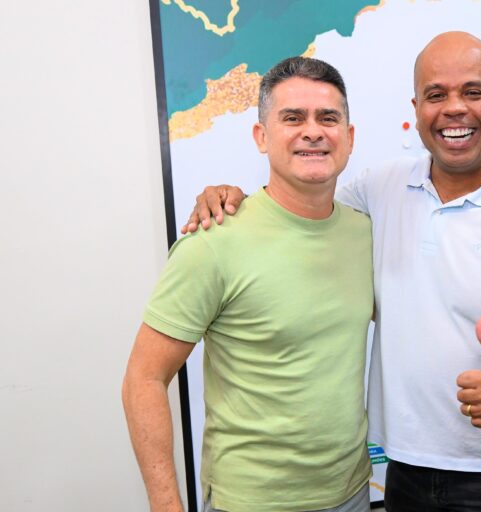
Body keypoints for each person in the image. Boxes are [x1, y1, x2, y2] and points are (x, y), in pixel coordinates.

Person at [186, 32, 481, 511]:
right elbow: (301, 205)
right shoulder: (381, 187)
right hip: (405, 470)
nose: (454, 108)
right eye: (436, 95)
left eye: (473, 92)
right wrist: (232, 199)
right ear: (417, 108)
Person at [122, 57, 375, 512]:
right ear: (261, 137)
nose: (313, 132)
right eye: (292, 118)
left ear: (349, 137)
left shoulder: (366, 234)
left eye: (327, 118)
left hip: (352, 492)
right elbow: (144, 379)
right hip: (249, 501)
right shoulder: (213, 242)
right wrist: (166, 505)